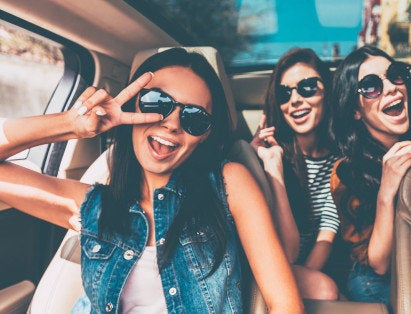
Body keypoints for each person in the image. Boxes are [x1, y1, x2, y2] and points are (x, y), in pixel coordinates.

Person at [0, 48, 303, 313]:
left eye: (194, 117)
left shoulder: (228, 183)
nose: (171, 123)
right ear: (132, 106)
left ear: (206, 134)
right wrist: (72, 124)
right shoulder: (94, 207)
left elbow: (286, 305)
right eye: (157, 102)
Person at [329, 45, 411, 307]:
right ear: (355, 110)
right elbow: (379, 264)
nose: (391, 88)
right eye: (371, 86)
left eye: (395, 75)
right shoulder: (346, 173)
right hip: (376, 280)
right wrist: (387, 192)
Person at [250, 48, 340, 300]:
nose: (296, 99)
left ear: (327, 92)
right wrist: (274, 169)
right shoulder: (268, 155)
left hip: (301, 269)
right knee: (326, 290)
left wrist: (306, 280)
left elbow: (327, 234)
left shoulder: (339, 162)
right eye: (284, 93)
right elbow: (287, 252)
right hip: (269, 262)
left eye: (308, 87)